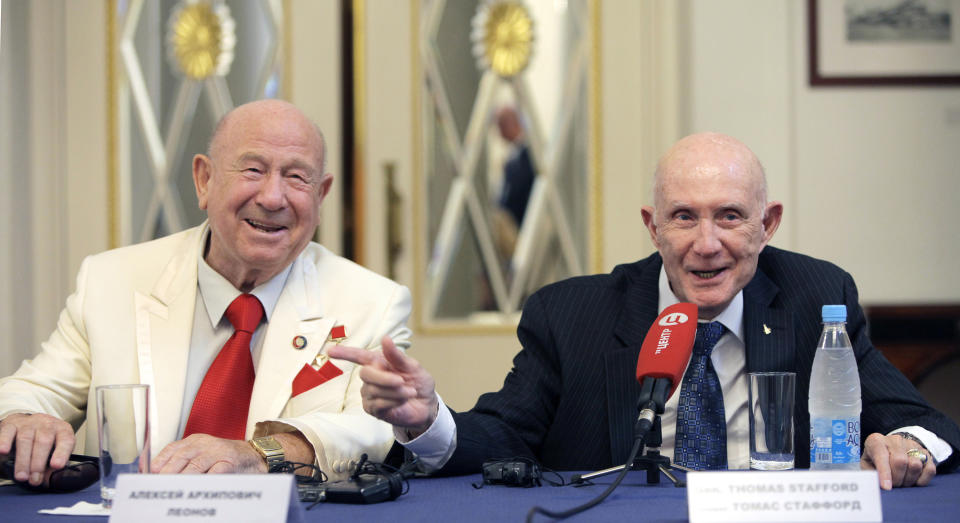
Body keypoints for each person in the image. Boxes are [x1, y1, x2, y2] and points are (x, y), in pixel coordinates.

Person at [331, 132, 960, 490]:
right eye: (683, 216)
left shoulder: (813, 296)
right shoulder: (569, 313)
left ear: (767, 225)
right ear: (651, 227)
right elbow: (505, 434)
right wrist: (426, 418)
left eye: (730, 217)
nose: (706, 244)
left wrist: (905, 445)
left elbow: (920, 421)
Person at [0, 100, 411, 486]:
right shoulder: (111, 280)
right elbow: (38, 389)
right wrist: (25, 417)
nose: (272, 197)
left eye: (296, 177)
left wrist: (258, 454)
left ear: (320, 196)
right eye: (252, 170)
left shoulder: (372, 302)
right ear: (204, 180)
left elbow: (375, 429)